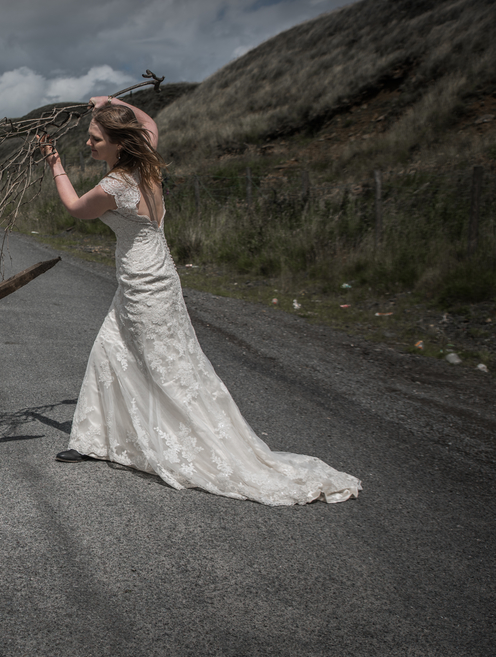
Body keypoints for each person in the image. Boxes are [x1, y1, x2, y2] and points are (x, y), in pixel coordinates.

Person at [40, 98, 360, 505]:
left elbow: (74, 208)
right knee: (111, 349)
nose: (88, 143)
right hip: (158, 273)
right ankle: (95, 441)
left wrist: (54, 162)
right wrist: (113, 103)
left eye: (95, 138)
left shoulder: (116, 185)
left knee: (162, 364)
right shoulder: (148, 162)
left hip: (142, 280)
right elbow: (149, 122)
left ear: (120, 144)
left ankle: (183, 443)